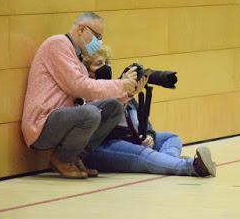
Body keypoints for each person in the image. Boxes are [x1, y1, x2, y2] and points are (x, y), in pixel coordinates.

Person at [22, 12, 138, 179]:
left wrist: (126, 93)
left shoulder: (77, 59)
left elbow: (91, 99)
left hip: (64, 119)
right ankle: (62, 159)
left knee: (113, 108)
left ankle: (75, 156)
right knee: (90, 114)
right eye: (97, 36)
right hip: (42, 124)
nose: (99, 42)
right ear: (81, 29)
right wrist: (119, 84)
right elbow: (80, 87)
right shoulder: (57, 44)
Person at [81, 46, 216, 177]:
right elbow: (101, 125)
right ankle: (193, 167)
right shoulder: (84, 95)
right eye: (99, 64)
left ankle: (166, 162)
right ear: (87, 70)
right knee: (143, 154)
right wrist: (122, 92)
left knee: (171, 138)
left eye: (107, 62)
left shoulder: (117, 89)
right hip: (103, 146)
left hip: (130, 140)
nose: (105, 67)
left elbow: (142, 120)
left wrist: (149, 135)